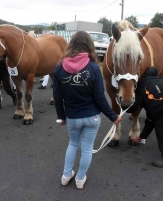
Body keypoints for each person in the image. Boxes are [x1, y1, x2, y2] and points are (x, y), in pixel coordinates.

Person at [53, 31, 122, 189]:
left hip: (72, 117)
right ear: (89, 45)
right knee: (86, 148)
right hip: (92, 117)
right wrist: (113, 116)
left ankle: (66, 175)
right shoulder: (93, 68)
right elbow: (100, 97)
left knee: (73, 144)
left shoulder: (59, 67)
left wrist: (60, 117)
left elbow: (57, 96)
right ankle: (80, 179)